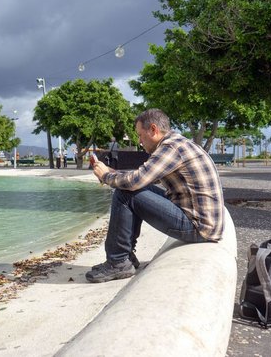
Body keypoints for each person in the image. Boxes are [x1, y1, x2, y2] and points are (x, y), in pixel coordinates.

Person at [87, 108, 224, 283]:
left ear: (153, 129)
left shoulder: (171, 148)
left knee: (124, 193)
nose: (139, 141)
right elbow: (145, 177)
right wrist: (115, 173)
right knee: (129, 189)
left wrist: (106, 176)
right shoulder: (177, 143)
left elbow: (135, 181)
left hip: (199, 227)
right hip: (204, 222)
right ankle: (125, 257)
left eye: (140, 135)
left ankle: (118, 261)